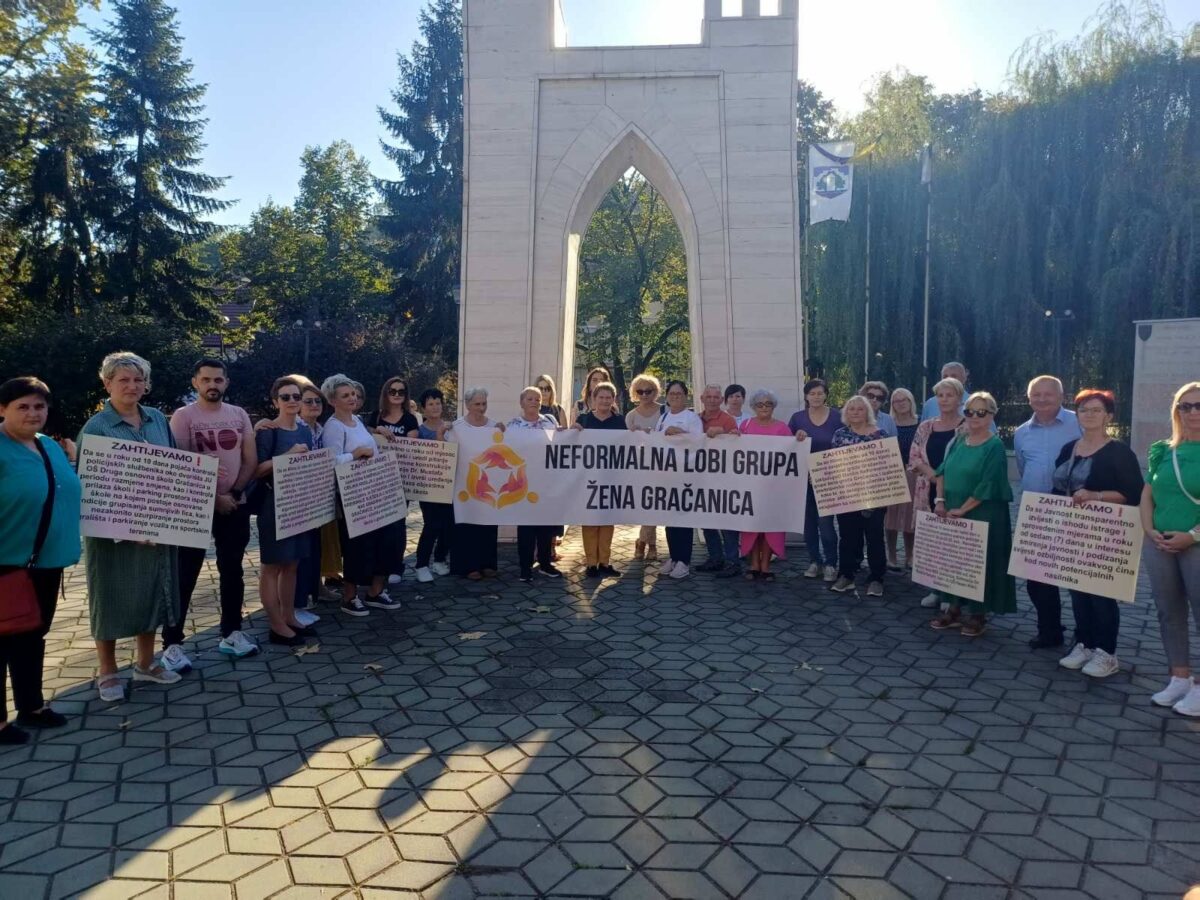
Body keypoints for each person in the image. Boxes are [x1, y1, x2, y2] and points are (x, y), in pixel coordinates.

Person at [78, 352, 182, 701]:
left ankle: (146, 663)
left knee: (153, 592)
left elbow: (172, 467)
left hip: (157, 529)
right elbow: (89, 487)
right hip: (113, 533)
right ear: (107, 384)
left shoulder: (155, 418)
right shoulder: (97, 427)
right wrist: (126, 528)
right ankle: (107, 670)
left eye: (138, 380)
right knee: (109, 595)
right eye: (123, 380)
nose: (132, 386)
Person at [0, 378, 81, 743]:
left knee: (33, 633)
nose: (33, 413)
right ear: (2, 409)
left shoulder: (48, 446)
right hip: (7, 561)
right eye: (23, 406)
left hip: (45, 562)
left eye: (39, 406)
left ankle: (31, 706)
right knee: (3, 639)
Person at [166, 358, 258, 666]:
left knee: (232, 569)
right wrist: (213, 497)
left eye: (218, 380)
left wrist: (232, 494)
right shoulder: (183, 416)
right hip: (195, 506)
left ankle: (231, 632)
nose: (212, 385)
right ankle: (172, 643)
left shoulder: (238, 414)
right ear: (195, 383)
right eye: (206, 380)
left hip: (235, 504)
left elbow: (249, 459)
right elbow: (182, 464)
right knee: (185, 573)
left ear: (226, 383)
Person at [1052, 390, 1143, 678]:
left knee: (1101, 594)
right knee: (1077, 589)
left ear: (1108, 416)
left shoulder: (1119, 452)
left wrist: (1096, 495)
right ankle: (1084, 643)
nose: (1089, 415)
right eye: (1083, 410)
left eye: (1095, 410)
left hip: (1105, 534)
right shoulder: (1069, 448)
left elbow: (1133, 494)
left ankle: (1107, 652)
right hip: (1072, 530)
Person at [929, 392, 1017, 637]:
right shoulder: (959, 440)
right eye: (970, 412)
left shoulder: (995, 446)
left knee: (981, 560)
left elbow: (988, 484)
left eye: (982, 412)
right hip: (953, 507)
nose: (975, 417)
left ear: (991, 415)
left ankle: (978, 613)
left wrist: (963, 509)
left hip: (983, 511)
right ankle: (954, 607)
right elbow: (942, 472)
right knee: (954, 558)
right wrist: (940, 501)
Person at [1141, 381, 1200, 715]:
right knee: (1169, 611)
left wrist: (1192, 535)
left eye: (1199, 406)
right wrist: (1150, 530)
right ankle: (1179, 676)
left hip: (1195, 543)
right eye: (1185, 406)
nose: (1193, 412)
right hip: (1160, 541)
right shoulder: (1163, 449)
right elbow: (1148, 493)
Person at [322, 374, 402, 615]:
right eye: (345, 395)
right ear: (332, 400)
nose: (352, 398)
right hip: (353, 495)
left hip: (376, 491)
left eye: (354, 394)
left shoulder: (357, 420)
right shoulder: (333, 426)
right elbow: (329, 461)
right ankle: (349, 596)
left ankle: (376, 591)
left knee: (390, 539)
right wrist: (354, 455)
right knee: (358, 545)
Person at [1013, 375, 1082, 649]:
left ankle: (1084, 632)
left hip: (1074, 512)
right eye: (1036, 395)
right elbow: (1021, 468)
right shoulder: (1021, 432)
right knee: (1037, 579)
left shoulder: (1078, 423)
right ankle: (1049, 630)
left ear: (1061, 397)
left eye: (1048, 394)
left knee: (1078, 578)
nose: (1042, 399)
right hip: (1036, 514)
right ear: (1029, 398)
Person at [253, 377, 318, 647]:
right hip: (274, 505)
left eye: (296, 397)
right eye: (285, 397)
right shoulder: (268, 431)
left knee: (292, 564)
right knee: (272, 566)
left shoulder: (305, 431)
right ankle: (276, 625)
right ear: (275, 401)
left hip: (300, 504)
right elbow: (257, 471)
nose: (292, 401)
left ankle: (289, 616)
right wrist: (288, 456)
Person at [908, 377, 966, 607]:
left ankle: (954, 593)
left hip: (957, 491)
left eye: (949, 395)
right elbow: (914, 456)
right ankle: (936, 588)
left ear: (959, 398)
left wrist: (945, 477)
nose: (944, 400)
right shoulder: (926, 426)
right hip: (927, 489)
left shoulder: (967, 427)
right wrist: (934, 475)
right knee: (933, 539)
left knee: (955, 541)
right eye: (940, 395)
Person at [828, 396, 888, 597]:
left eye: (860, 409)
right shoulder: (839, 434)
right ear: (846, 412)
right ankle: (847, 575)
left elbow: (887, 466)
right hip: (847, 496)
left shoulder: (880, 435)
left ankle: (877, 578)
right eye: (851, 408)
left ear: (867, 412)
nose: (855, 412)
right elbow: (832, 465)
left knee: (874, 538)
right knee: (847, 538)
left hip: (874, 495)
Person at [739, 389, 796, 581]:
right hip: (750, 486)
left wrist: (801, 438)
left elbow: (793, 453)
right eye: (760, 404)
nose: (764, 408)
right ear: (754, 407)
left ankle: (766, 565)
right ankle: (754, 564)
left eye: (768, 404)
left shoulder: (782, 428)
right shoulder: (745, 425)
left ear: (774, 407)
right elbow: (733, 451)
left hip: (775, 487)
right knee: (753, 527)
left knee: (770, 527)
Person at [448, 387, 504, 580]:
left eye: (484, 404)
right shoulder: (457, 427)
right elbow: (447, 452)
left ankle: (487, 563)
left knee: (488, 524)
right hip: (464, 484)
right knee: (467, 526)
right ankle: (468, 566)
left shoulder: (495, 426)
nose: (481, 408)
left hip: (489, 484)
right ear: (467, 405)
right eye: (477, 404)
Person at [509, 387, 564, 582]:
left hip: (546, 482)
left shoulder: (549, 421)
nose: (534, 402)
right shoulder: (513, 425)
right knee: (525, 527)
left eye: (538, 399)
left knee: (545, 527)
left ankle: (545, 563)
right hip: (523, 483)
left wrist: (573, 432)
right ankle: (525, 568)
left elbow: (561, 442)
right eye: (530, 399)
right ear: (522, 402)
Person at [788, 379, 841, 581]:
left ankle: (830, 563)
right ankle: (814, 561)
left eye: (820, 393)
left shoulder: (837, 417)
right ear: (806, 396)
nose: (816, 397)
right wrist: (796, 436)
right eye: (812, 393)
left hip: (829, 479)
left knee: (826, 524)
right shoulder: (797, 418)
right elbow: (787, 445)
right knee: (808, 524)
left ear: (826, 394)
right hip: (802, 479)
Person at [574, 381, 627, 578]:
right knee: (589, 521)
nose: (605, 401)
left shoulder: (620, 422)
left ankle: (604, 562)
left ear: (613, 400)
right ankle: (591, 564)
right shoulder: (584, 420)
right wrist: (569, 432)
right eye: (601, 397)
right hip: (588, 479)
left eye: (608, 397)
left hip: (612, 479)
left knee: (607, 521)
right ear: (593, 399)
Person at [655, 380, 704, 579]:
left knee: (683, 519)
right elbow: (656, 441)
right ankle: (674, 557)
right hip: (666, 475)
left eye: (679, 394)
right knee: (669, 520)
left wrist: (680, 433)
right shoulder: (663, 417)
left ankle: (684, 561)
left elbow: (698, 442)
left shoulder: (692, 418)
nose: (675, 397)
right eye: (672, 393)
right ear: (666, 396)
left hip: (685, 475)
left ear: (686, 396)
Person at [696, 384, 742, 577]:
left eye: (716, 397)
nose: (712, 400)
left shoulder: (728, 419)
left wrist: (724, 433)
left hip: (723, 479)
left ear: (721, 400)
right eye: (709, 397)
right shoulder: (694, 419)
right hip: (700, 477)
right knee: (706, 520)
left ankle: (733, 561)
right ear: (702, 398)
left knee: (726, 521)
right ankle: (715, 558)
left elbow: (736, 444)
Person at [293, 376, 326, 627]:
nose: (314, 405)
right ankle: (295, 604)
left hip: (317, 499)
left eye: (317, 401)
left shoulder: (320, 429)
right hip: (296, 501)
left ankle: (309, 596)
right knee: (298, 554)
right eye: (308, 401)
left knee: (313, 550)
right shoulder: (293, 427)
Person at [413, 388, 454, 583]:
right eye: (430, 404)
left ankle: (439, 560)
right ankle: (421, 564)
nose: (435, 407)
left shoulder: (452, 428)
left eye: (438, 403)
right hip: (428, 486)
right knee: (431, 525)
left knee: (448, 525)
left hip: (450, 484)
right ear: (423, 408)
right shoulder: (419, 431)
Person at [625, 373, 663, 561]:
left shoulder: (665, 412)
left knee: (655, 505)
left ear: (655, 392)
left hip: (661, 465)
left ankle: (644, 542)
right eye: (640, 391)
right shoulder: (631, 416)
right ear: (635, 393)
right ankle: (649, 544)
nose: (644, 394)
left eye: (649, 391)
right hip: (639, 466)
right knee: (645, 505)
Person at [883, 388, 919, 572]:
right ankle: (891, 556)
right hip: (892, 474)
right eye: (896, 401)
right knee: (891, 517)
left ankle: (910, 555)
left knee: (909, 518)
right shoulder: (889, 423)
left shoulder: (920, 423)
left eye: (904, 399)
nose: (901, 403)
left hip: (914, 473)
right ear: (892, 405)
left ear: (911, 401)